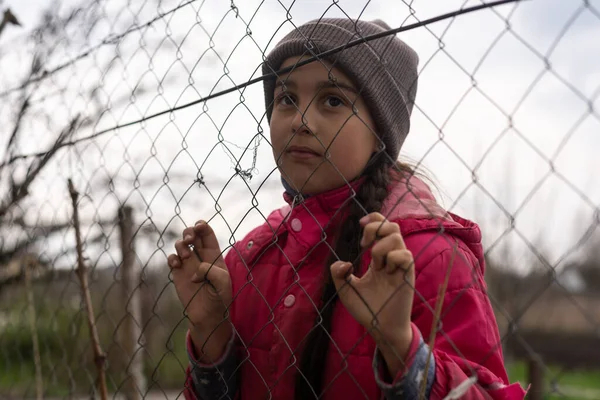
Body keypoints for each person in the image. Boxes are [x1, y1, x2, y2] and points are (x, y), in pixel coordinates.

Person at [167, 18, 527, 400]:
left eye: (333, 101)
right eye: (286, 98)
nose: (301, 122)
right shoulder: (245, 263)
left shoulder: (427, 257)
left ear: (380, 134)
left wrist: (404, 351)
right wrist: (211, 339)